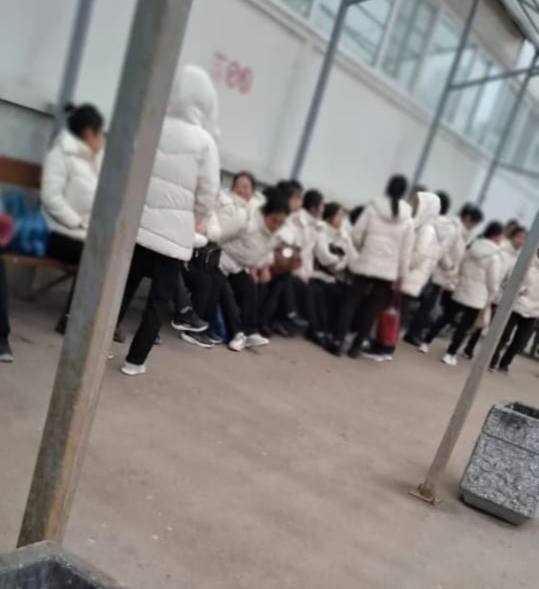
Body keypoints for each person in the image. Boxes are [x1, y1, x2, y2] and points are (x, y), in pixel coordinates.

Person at [119, 65, 220, 376]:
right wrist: (196, 220)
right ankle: (134, 361)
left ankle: (97, 344)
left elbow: (131, 167)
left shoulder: (153, 126)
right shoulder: (205, 142)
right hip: (174, 238)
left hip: (139, 228)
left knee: (122, 290)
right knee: (158, 302)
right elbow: (208, 192)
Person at [329, 174, 415, 358]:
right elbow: (406, 251)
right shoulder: (408, 219)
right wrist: (401, 276)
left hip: (366, 264)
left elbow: (356, 234)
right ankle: (356, 348)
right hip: (387, 272)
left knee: (350, 303)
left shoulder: (373, 208)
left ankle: (337, 342)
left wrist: (365, 249)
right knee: (372, 309)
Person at [41, 103, 106, 335]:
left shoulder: (95, 159)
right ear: (89, 132)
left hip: (85, 234)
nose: (102, 138)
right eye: (100, 133)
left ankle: (100, 320)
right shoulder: (61, 154)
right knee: (96, 258)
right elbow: (50, 197)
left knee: (113, 256)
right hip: (58, 233)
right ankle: (72, 318)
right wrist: (77, 223)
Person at [420, 221, 504, 366]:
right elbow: (492, 280)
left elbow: (461, 265)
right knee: (464, 327)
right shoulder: (494, 256)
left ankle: (425, 342)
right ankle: (450, 354)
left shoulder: (472, 247)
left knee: (446, 317)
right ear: (496, 236)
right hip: (477, 297)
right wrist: (493, 293)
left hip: (461, 289)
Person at [220, 187, 290, 351]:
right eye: (274, 221)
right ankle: (237, 333)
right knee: (226, 293)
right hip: (221, 263)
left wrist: (259, 267)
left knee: (250, 287)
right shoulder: (248, 223)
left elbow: (263, 253)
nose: (277, 226)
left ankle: (250, 331)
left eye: (281, 222)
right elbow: (222, 237)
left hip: (239, 267)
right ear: (265, 214)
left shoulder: (274, 234)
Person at [405, 202, 484, 345]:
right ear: (467, 218)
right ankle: (413, 333)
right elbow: (443, 250)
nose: (474, 227)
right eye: (474, 223)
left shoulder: (459, 231)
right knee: (426, 306)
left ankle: (413, 332)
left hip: (438, 273)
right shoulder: (453, 229)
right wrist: (450, 266)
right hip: (436, 271)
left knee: (425, 305)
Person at [463, 224, 527, 359]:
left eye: (524, 238)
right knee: (478, 321)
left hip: (501, 294)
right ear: (512, 237)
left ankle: (478, 351)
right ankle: (467, 346)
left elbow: (511, 276)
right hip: (489, 290)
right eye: (519, 237)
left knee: (489, 324)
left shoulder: (519, 256)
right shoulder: (501, 249)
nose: (521, 241)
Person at [309, 202, 353, 346]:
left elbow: (349, 256)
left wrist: (338, 262)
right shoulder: (321, 230)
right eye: (339, 215)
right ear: (330, 216)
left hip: (333, 276)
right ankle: (317, 330)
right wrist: (339, 260)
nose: (342, 219)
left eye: (343, 215)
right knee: (321, 292)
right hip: (316, 273)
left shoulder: (343, 235)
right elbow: (323, 256)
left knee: (343, 295)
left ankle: (330, 333)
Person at [489, 248, 539, 373]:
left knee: (520, 340)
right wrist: (520, 290)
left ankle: (505, 364)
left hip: (533, 311)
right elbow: (510, 280)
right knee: (504, 335)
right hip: (515, 305)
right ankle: (492, 360)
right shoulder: (527, 263)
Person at [399, 191, 442, 331]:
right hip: (407, 276)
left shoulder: (427, 230)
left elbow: (418, 255)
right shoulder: (419, 225)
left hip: (409, 277)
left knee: (397, 313)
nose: (414, 206)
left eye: (418, 204)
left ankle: (386, 343)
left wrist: (402, 267)